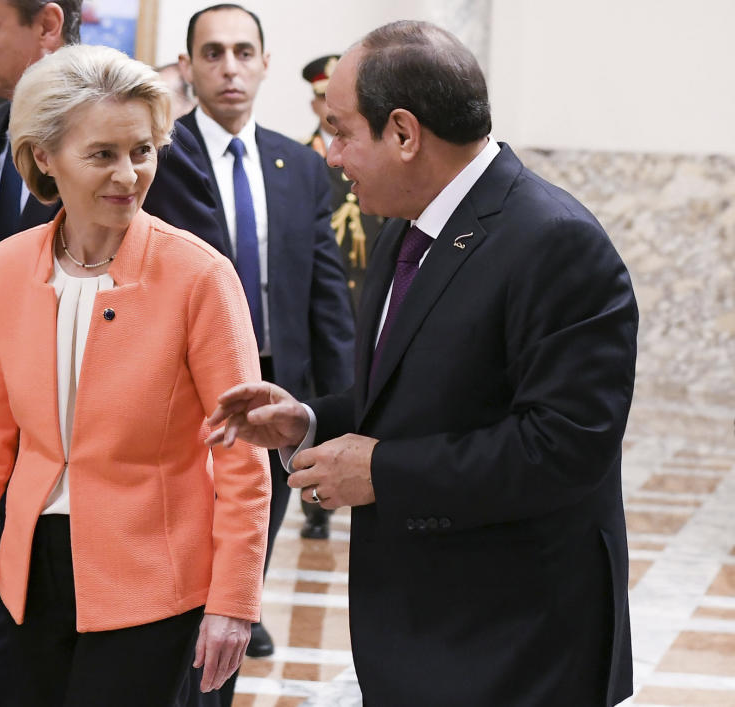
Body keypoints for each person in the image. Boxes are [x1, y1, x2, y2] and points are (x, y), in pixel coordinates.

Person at [208, 20, 636, 706]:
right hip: (422, 630)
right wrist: (310, 420)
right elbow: (410, 393)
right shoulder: (406, 227)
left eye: (342, 131)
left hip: (515, 643)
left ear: (404, 134)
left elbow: (564, 449)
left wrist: (378, 471)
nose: (331, 155)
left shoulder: (555, 242)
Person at [0, 44, 270, 705]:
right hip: (27, 576)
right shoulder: (6, 269)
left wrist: (235, 601)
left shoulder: (201, 276)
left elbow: (242, 455)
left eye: (142, 150)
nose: (129, 174)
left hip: (154, 580)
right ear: (44, 157)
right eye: (103, 154)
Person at [176, 3, 354, 665]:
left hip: (280, 371)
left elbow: (326, 290)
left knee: (265, 499)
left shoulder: (299, 165)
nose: (229, 68)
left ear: (265, 64)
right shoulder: (162, 156)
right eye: (213, 53)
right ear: (190, 66)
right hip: (190, 376)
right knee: (197, 505)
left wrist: (342, 401)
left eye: (243, 53)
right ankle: (196, 604)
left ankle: (240, 602)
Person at [298, 53, 383, 540]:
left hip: (366, 288)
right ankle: (317, 505)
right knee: (325, 393)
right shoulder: (304, 160)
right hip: (329, 298)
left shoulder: (373, 160)